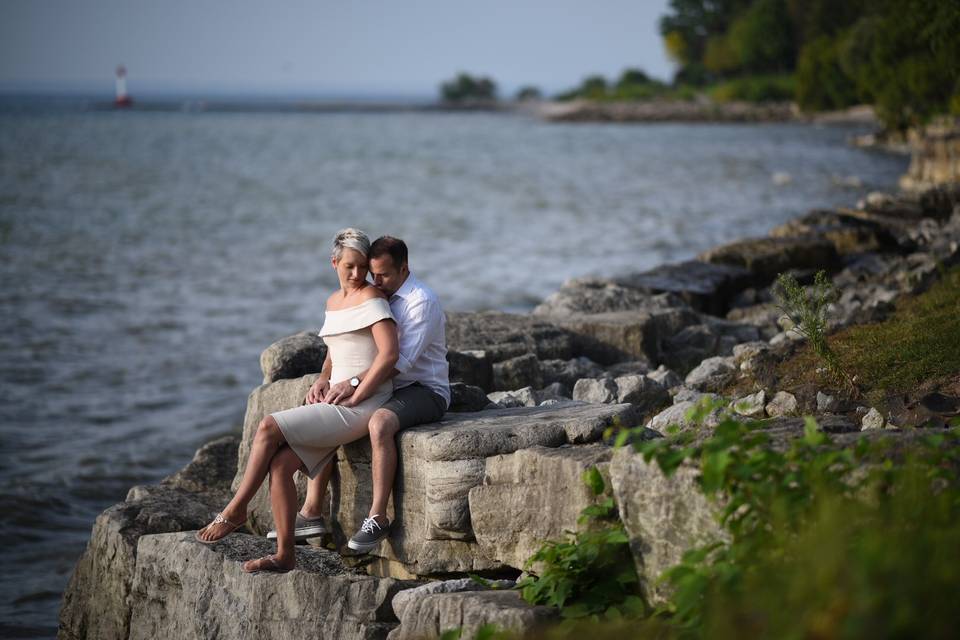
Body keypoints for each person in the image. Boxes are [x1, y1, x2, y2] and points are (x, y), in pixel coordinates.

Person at [195, 228, 398, 573]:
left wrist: (353, 387)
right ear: (333, 262)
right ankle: (285, 554)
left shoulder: (372, 299)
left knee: (268, 426)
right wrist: (322, 379)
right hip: (337, 399)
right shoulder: (333, 302)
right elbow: (335, 352)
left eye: (362, 267)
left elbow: (389, 356)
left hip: (363, 402)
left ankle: (237, 508)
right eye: (349, 266)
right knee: (280, 466)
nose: (357, 274)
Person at [266, 235, 449, 553]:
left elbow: (398, 363)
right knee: (324, 409)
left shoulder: (422, 302)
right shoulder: (378, 294)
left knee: (379, 423)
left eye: (384, 275)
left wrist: (351, 385)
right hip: (383, 386)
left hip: (423, 389)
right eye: (372, 273)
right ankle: (311, 512)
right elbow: (344, 342)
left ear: (405, 268)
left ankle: (377, 517)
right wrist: (326, 379)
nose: (375, 281)